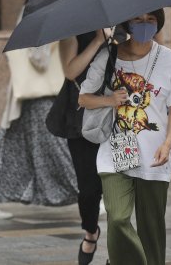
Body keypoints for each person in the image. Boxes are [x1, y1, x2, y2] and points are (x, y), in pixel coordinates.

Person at [79, 9, 171, 265]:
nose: (144, 25)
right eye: (138, 20)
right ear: (127, 22)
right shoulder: (109, 56)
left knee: (152, 230)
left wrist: (167, 144)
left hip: (154, 154)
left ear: (158, 23)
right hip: (115, 151)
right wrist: (109, 100)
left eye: (150, 20)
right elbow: (83, 98)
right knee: (117, 218)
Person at [0, 6, 79, 218]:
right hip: (40, 94)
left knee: (11, 143)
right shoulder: (42, 11)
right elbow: (39, 58)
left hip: (32, 93)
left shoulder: (36, 9)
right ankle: (89, 193)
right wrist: (65, 34)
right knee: (58, 145)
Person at [56, 30, 109, 265]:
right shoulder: (72, 30)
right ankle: (90, 230)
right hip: (80, 117)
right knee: (88, 188)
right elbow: (70, 71)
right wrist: (98, 40)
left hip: (115, 113)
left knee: (117, 185)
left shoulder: (122, 26)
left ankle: (118, 249)